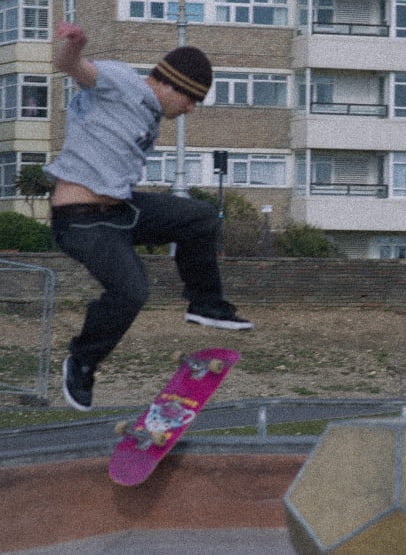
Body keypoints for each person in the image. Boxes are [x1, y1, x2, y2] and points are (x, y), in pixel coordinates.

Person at [46, 22, 252, 412]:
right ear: (170, 84)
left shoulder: (151, 112)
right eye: (190, 99)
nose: (190, 109)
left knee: (200, 217)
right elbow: (73, 68)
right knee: (132, 291)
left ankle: (205, 303)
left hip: (120, 210)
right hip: (80, 220)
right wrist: (74, 46)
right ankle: (83, 359)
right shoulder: (124, 82)